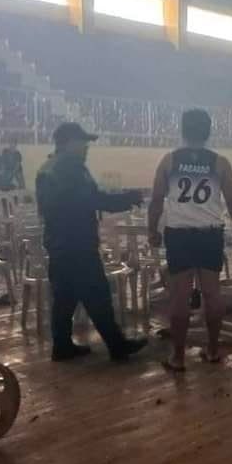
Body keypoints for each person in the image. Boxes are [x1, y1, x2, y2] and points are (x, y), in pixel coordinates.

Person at [36, 122, 147, 362]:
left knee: (64, 298)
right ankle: (117, 346)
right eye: (82, 142)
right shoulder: (70, 167)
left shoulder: (48, 167)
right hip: (78, 243)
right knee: (97, 294)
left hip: (59, 242)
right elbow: (93, 199)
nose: (86, 147)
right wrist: (127, 199)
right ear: (68, 142)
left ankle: (62, 347)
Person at [148, 109, 232, 371]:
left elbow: (156, 200)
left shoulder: (169, 161)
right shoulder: (220, 163)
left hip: (179, 235)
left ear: (182, 130)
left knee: (179, 297)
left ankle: (178, 358)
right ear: (208, 131)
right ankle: (213, 351)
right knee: (212, 294)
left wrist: (152, 230)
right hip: (209, 234)